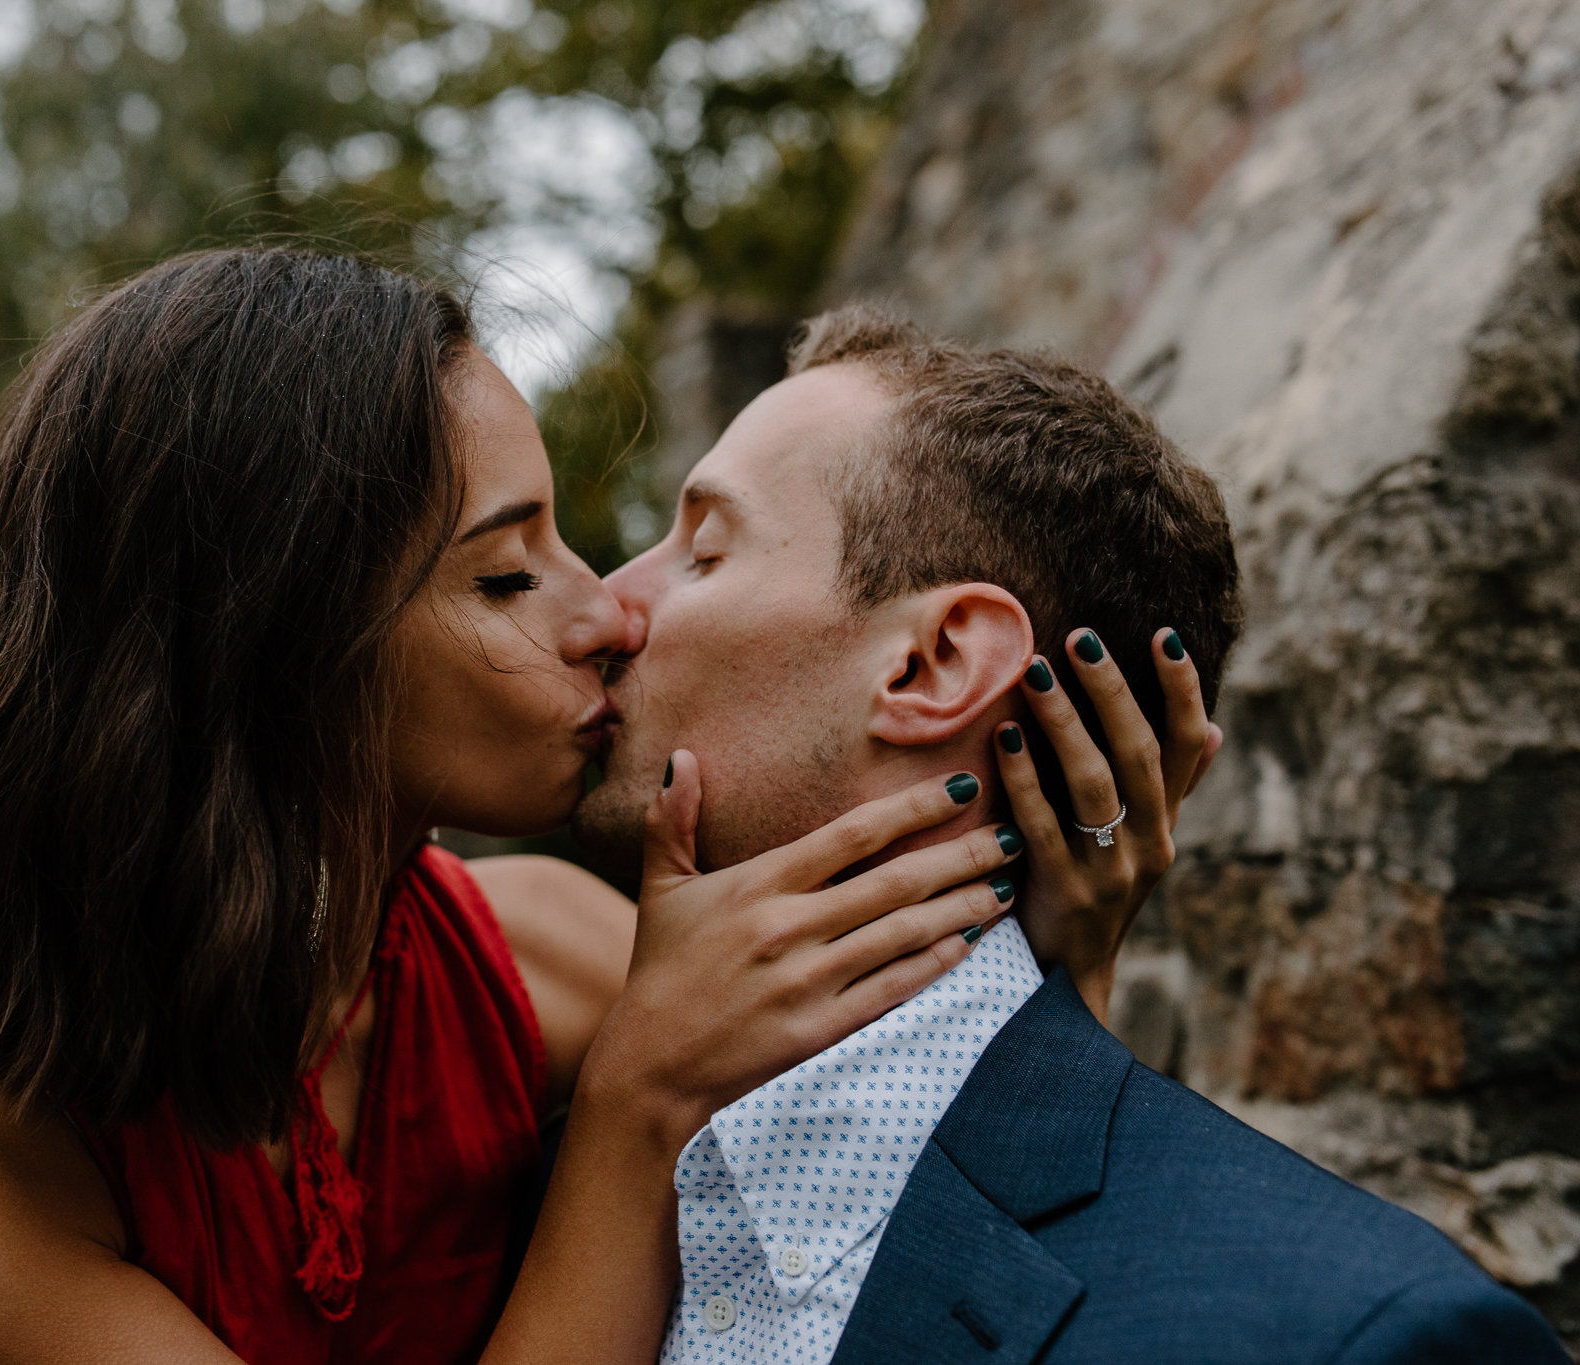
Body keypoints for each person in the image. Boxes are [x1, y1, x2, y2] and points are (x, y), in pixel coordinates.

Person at [0, 249, 1209, 1365]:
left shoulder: (543, 956)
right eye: (506, 576)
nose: (607, 616)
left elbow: (940, 1242)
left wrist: (1062, 951)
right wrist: (635, 1109)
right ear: (272, 650)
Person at [571, 305, 1568, 1364]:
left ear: (932, 665)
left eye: (703, 551)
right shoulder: (521, 1181)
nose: (603, 608)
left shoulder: (1346, 1333)